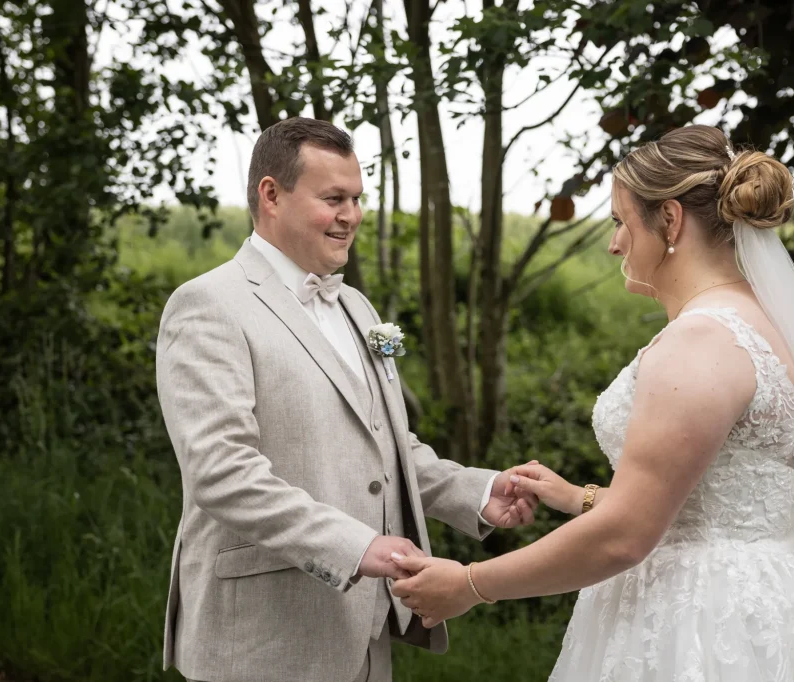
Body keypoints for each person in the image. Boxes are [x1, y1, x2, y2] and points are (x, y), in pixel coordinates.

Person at [391, 125, 794, 681]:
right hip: (782, 607)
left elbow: (628, 536)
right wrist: (580, 498)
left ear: (670, 220)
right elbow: (719, 501)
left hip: (701, 621)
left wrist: (471, 584)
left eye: (621, 223)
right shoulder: (770, 326)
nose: (614, 243)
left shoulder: (701, 341)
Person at [155, 116, 538, 682]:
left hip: (359, 631)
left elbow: (383, 445)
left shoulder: (356, 307)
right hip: (261, 635)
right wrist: (358, 547)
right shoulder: (209, 305)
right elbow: (221, 473)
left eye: (357, 199)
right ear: (271, 195)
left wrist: (477, 492)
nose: (351, 216)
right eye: (333, 198)